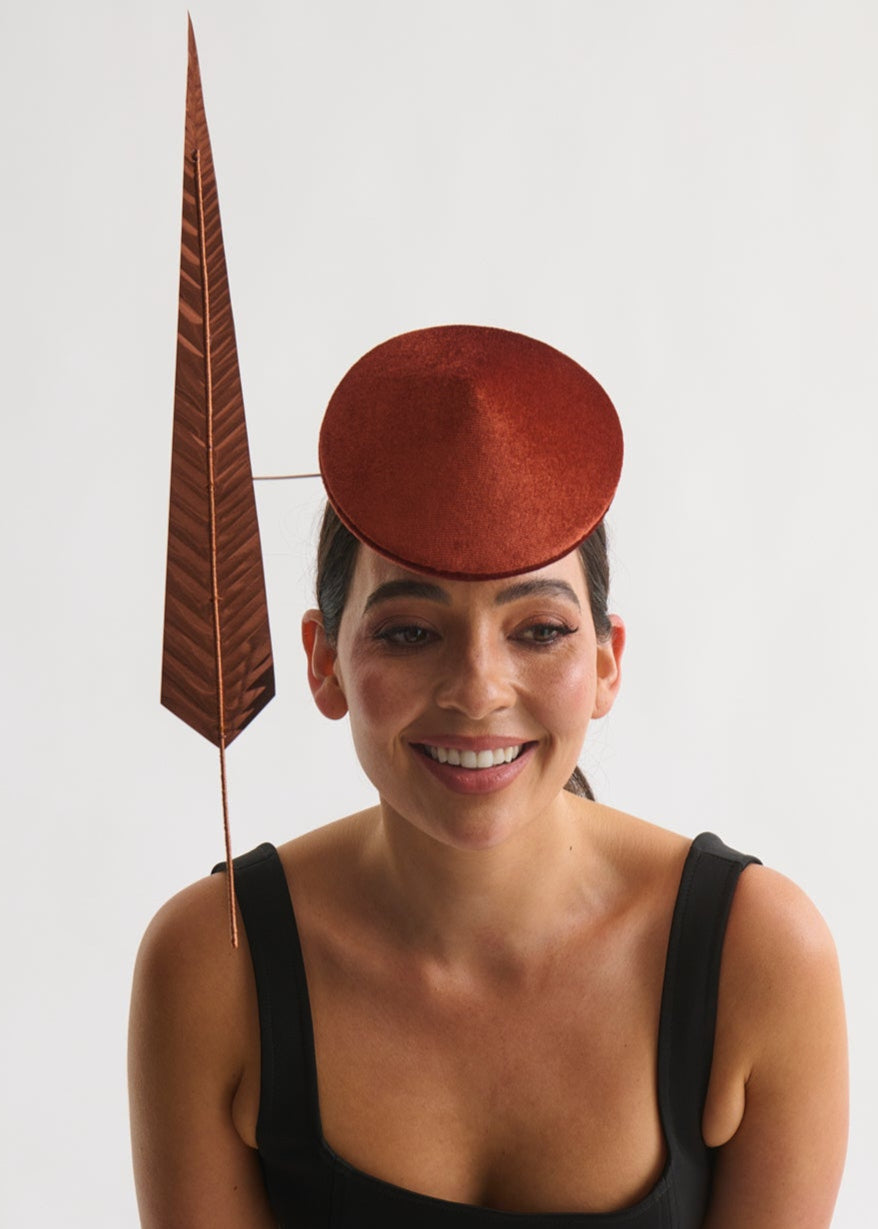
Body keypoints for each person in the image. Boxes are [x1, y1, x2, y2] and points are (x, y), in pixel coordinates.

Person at [129, 326, 848, 1228]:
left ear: (607, 662)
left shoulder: (760, 955)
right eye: (408, 631)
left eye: (539, 630)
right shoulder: (214, 964)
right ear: (323, 661)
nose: (477, 690)